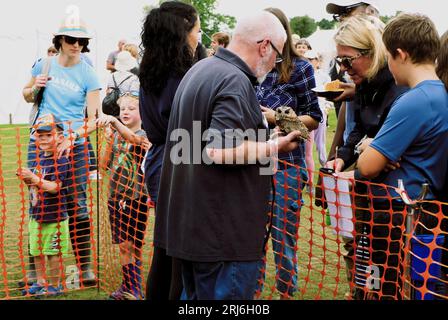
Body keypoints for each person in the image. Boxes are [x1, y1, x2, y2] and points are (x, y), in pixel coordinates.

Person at [156, 10, 306, 300]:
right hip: (223, 236)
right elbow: (219, 150)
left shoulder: (201, 69)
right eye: (277, 53)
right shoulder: (234, 81)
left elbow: (201, 143)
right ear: (264, 46)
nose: (276, 63)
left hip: (193, 228)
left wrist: (265, 140)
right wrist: (275, 145)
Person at [355, 13, 448, 300]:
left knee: (385, 290)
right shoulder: (441, 94)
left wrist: (367, 149)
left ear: (401, 54)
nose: (389, 67)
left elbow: (367, 167)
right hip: (425, 211)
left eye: (389, 58)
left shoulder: (415, 100)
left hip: (398, 216)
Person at [325, 14, 408, 299]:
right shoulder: (363, 84)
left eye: (348, 60)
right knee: (365, 263)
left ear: (371, 53)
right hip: (365, 192)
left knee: (388, 275)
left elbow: (387, 150)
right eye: (339, 62)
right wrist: (342, 157)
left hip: (392, 200)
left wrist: (372, 151)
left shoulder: (398, 86)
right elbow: (357, 131)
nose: (344, 70)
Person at [22, 18, 102, 286]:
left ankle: (84, 268)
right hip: (40, 142)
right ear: (59, 41)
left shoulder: (88, 73)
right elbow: (26, 94)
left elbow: (94, 118)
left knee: (77, 203)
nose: (76, 45)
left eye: (81, 41)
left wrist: (71, 136)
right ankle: (35, 270)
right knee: (37, 199)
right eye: (71, 40)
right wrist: (35, 88)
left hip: (74, 146)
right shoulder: (43, 64)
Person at [256, 7, 322, 299]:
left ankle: (286, 291)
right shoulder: (250, 67)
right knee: (253, 235)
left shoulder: (301, 68)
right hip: (252, 164)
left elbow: (313, 118)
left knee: (283, 234)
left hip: (287, 166)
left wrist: (276, 118)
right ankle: (250, 292)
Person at [138, 1, 200, 300]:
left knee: (165, 248)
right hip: (181, 160)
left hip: (159, 159)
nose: (199, 37)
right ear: (184, 30)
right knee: (181, 253)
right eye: (197, 30)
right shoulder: (185, 75)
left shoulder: (151, 68)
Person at [98, 93, 150, 300]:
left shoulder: (146, 132)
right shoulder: (117, 133)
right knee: (123, 245)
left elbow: (134, 139)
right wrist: (108, 141)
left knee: (133, 245)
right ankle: (128, 286)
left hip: (136, 197)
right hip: (115, 197)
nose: (125, 112)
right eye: (122, 109)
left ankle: (134, 287)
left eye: (131, 108)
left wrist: (114, 123)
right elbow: (103, 165)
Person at [17, 114, 72, 296]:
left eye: (49, 135)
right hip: (37, 215)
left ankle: (55, 285)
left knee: (52, 253)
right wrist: (28, 180)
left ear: (60, 137)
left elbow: (55, 187)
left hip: (54, 217)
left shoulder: (61, 160)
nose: (44, 139)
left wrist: (34, 178)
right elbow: (36, 184)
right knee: (37, 250)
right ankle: (40, 282)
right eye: (40, 135)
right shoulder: (37, 159)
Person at [304, 49, 330, 167]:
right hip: (307, 114)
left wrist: (327, 107)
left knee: (320, 144)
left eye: (311, 59)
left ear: (317, 61)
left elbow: (329, 93)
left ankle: (326, 168)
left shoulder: (324, 76)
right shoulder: (302, 75)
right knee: (307, 150)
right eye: (306, 59)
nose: (309, 62)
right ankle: (310, 184)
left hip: (321, 112)